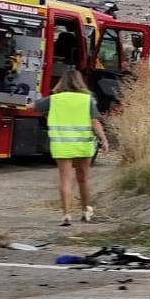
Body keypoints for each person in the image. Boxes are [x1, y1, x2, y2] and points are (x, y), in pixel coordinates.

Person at [29, 68, 109, 226]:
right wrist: (103, 139)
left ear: (62, 82)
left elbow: (31, 107)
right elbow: (94, 121)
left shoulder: (54, 99)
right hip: (82, 145)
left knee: (65, 180)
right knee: (83, 179)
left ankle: (66, 215)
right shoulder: (87, 100)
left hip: (62, 145)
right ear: (80, 82)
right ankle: (86, 212)